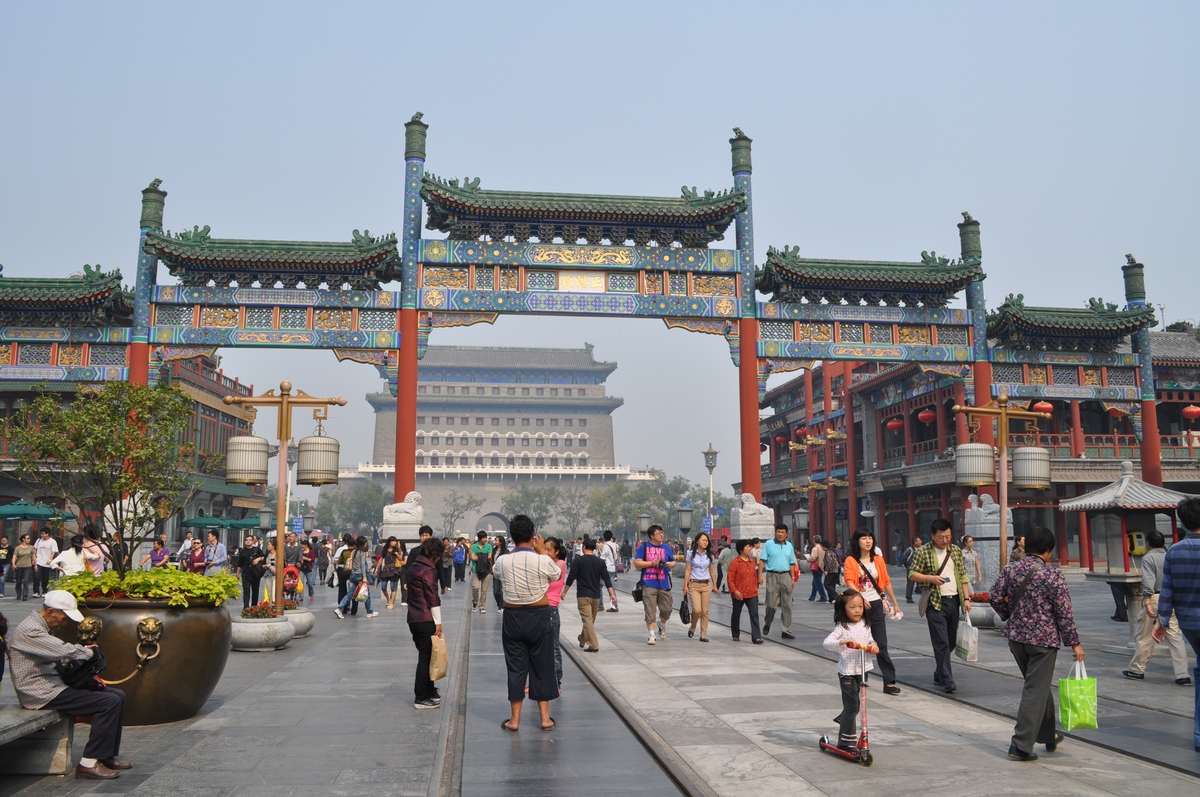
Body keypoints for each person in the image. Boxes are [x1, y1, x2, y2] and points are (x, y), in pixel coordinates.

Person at [7, 591, 131, 779]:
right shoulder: (30, 631)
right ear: (50, 612)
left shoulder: (40, 627)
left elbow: (58, 651)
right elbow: (62, 650)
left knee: (118, 695)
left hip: (53, 685)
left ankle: (105, 755)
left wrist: (81, 653)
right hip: (40, 693)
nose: (64, 623)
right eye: (64, 618)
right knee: (108, 702)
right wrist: (89, 653)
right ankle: (88, 763)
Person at [988, 526, 1083, 761]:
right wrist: (1074, 643)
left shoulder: (1011, 569)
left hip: (1017, 639)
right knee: (1034, 689)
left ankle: (1048, 734)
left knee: (1038, 686)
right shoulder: (1053, 575)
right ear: (1048, 550)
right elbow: (1064, 612)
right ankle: (1020, 745)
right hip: (1043, 641)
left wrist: (1008, 614)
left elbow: (994, 596)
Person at [493, 515, 562, 731]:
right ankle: (544, 718)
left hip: (512, 618)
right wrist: (541, 551)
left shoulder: (501, 560)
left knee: (515, 668)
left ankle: (514, 720)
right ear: (533, 537)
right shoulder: (542, 560)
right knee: (542, 666)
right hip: (539, 616)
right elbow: (557, 574)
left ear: (511, 538)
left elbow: (496, 575)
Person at [1153, 496, 1200, 752]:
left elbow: (1167, 589)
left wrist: (1161, 621)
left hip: (1190, 623)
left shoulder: (1175, 551)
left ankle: (1199, 736)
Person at [909, 519, 972, 693]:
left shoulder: (956, 551)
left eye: (948, 537)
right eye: (941, 537)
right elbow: (912, 574)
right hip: (935, 602)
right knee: (941, 642)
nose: (945, 541)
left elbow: (962, 575)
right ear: (933, 536)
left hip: (954, 601)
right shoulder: (923, 551)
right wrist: (929, 578)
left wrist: (966, 598)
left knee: (950, 641)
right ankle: (947, 679)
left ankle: (939, 672)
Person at [1124, 530, 1191, 684]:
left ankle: (1136, 669)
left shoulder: (1149, 558)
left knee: (1146, 635)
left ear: (1148, 543)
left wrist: (1146, 601)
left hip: (1155, 597)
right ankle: (1182, 674)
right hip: (1171, 597)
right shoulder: (1170, 554)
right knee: (1175, 636)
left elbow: (1149, 581)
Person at [842, 528, 901, 696]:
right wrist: (860, 598)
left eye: (870, 538)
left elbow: (886, 582)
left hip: (875, 604)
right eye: (863, 538)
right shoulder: (851, 561)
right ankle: (856, 678)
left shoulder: (879, 560)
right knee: (859, 643)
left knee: (881, 643)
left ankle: (889, 681)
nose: (867, 541)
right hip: (858, 607)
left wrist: (895, 603)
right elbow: (850, 582)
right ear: (857, 541)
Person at [822, 589, 880, 755]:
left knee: (856, 705)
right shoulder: (842, 627)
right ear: (843, 609)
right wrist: (844, 641)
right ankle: (845, 742)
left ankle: (845, 719)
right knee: (852, 706)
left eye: (860, 606)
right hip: (847, 671)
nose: (857, 610)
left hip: (862, 670)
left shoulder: (865, 625)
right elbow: (827, 643)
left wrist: (874, 646)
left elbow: (870, 640)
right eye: (853, 607)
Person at [405, 536, 443, 709]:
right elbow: (432, 597)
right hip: (426, 618)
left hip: (413, 618)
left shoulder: (414, 567)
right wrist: (438, 622)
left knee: (426, 656)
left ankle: (429, 690)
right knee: (426, 658)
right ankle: (420, 697)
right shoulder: (429, 570)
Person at [560, 537, 615, 652]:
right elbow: (606, 579)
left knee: (588, 621)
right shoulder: (600, 562)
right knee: (589, 621)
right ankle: (582, 639)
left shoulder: (578, 561)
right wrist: (611, 594)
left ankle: (594, 645)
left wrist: (564, 591)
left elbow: (571, 577)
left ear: (584, 547)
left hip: (583, 595)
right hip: (596, 596)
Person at [634, 524, 677, 646]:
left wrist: (670, 564)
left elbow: (673, 561)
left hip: (663, 583)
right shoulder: (644, 547)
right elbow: (637, 562)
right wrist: (651, 563)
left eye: (662, 532)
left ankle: (662, 624)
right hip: (649, 583)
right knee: (650, 610)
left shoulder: (666, 547)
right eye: (659, 533)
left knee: (667, 610)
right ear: (652, 536)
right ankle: (652, 635)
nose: (662, 535)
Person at [760, 523, 799, 640]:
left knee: (787, 605)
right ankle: (768, 622)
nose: (780, 534)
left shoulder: (789, 546)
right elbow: (762, 561)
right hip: (772, 575)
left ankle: (786, 630)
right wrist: (759, 576)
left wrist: (792, 579)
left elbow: (792, 563)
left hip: (786, 575)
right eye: (778, 532)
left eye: (782, 532)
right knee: (771, 605)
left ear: (786, 534)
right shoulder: (769, 544)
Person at [543, 537, 568, 688]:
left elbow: (554, 577)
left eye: (549, 550)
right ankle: (538, 682)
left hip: (551, 608)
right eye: (543, 549)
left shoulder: (560, 564)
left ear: (557, 551)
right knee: (537, 648)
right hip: (538, 607)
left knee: (553, 648)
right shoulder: (544, 563)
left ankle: (556, 681)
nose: (545, 552)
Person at [683, 531, 717, 642]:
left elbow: (712, 571)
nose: (705, 542)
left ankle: (703, 634)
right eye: (703, 540)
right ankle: (693, 626)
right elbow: (688, 570)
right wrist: (686, 585)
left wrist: (715, 585)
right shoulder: (690, 554)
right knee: (697, 610)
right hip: (694, 584)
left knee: (705, 611)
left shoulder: (710, 555)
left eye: (707, 540)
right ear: (697, 541)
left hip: (706, 585)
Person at [727, 539, 763, 643]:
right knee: (736, 613)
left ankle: (756, 637)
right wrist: (734, 591)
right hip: (739, 593)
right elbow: (730, 579)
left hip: (752, 592)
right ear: (741, 549)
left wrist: (756, 588)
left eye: (749, 547)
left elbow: (753, 576)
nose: (749, 549)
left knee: (754, 614)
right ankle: (735, 634)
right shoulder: (735, 563)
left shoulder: (752, 562)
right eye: (747, 547)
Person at [334, 537, 378, 618]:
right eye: (365, 543)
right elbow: (362, 566)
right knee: (366, 593)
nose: (366, 545)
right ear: (363, 544)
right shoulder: (362, 553)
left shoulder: (354, 552)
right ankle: (369, 611)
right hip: (359, 576)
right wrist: (364, 577)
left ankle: (339, 608)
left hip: (353, 575)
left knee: (350, 594)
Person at [236, 535, 265, 609]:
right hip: (245, 573)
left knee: (255, 590)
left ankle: (254, 607)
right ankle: (246, 607)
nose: (248, 541)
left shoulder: (257, 549)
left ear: (253, 541)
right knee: (246, 590)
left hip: (255, 572)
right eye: (246, 540)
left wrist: (258, 559)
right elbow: (240, 563)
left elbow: (264, 557)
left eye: (250, 540)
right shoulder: (242, 551)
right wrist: (237, 573)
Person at [377, 537, 405, 610]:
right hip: (385, 570)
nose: (394, 543)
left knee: (393, 587)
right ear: (389, 542)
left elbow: (401, 559)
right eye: (392, 541)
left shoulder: (396, 550)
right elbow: (381, 559)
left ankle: (392, 602)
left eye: (395, 541)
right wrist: (376, 568)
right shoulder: (385, 549)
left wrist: (396, 553)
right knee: (383, 587)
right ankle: (388, 599)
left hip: (394, 570)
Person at [470, 530, 494, 613]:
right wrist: (484, 556)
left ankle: (482, 606)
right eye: (484, 538)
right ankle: (475, 602)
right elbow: (472, 558)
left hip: (486, 570)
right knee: (475, 587)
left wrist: (478, 556)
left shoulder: (488, 547)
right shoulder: (474, 546)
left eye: (486, 537)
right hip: (476, 570)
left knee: (484, 590)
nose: (486, 539)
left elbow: (489, 557)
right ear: (480, 538)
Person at [34, 527, 59, 596]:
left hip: (47, 562)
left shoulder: (52, 541)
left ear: (47, 534)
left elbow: (54, 551)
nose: (41, 535)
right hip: (39, 561)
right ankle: (36, 591)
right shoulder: (39, 540)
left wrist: (50, 559)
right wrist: (35, 558)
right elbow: (35, 549)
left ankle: (44, 591)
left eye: (43, 534)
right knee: (36, 576)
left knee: (45, 578)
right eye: (41, 534)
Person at [599, 530, 620, 612]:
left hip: (606, 568)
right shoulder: (614, 545)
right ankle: (614, 605)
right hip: (612, 568)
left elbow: (602, 558)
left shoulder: (606, 546)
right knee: (611, 587)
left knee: (599, 585)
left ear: (604, 537)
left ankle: (600, 605)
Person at [806, 535, 829, 602]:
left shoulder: (815, 548)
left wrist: (808, 559)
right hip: (822, 566)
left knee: (818, 582)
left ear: (814, 541)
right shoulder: (822, 548)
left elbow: (813, 557)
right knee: (815, 582)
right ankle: (812, 596)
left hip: (816, 566)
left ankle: (823, 596)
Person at [13, 533, 35, 601]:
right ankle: (18, 594)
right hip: (19, 566)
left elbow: (34, 556)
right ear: (23, 539)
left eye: (29, 538)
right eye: (27, 538)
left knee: (25, 580)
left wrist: (35, 564)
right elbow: (14, 556)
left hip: (28, 566)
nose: (29, 540)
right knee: (18, 581)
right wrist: (13, 564)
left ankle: (25, 595)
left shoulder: (31, 547)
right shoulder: (18, 548)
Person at [491, 536, 509, 612]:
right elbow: (491, 560)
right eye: (495, 540)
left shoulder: (506, 551)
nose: (495, 541)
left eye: (497, 540)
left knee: (502, 591)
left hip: (503, 573)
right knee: (495, 591)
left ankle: (501, 606)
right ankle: (499, 604)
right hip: (495, 573)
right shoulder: (493, 550)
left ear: (501, 542)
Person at [822, 538, 842, 603]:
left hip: (831, 570)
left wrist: (826, 570)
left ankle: (836, 596)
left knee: (827, 584)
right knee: (832, 584)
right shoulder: (833, 550)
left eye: (822, 546)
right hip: (836, 570)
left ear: (824, 546)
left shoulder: (828, 552)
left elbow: (829, 562)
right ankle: (831, 599)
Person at [902, 536, 919, 603]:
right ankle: (909, 597)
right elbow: (904, 558)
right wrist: (908, 566)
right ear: (915, 542)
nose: (921, 542)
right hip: (911, 567)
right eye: (919, 540)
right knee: (910, 583)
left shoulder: (920, 549)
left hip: (918, 567)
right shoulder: (910, 550)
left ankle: (918, 590)